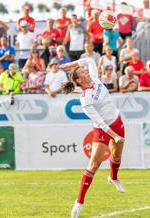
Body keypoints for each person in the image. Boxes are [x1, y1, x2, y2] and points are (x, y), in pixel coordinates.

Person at [59, 58, 126, 218]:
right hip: (103, 129)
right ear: (78, 80)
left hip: (117, 121)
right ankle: (79, 203)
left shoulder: (95, 79)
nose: (86, 71)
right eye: (82, 72)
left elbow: (89, 60)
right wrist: (114, 136)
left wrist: (69, 65)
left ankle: (113, 178)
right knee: (94, 165)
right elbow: (100, 122)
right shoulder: (85, 99)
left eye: (84, 70)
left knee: (117, 156)